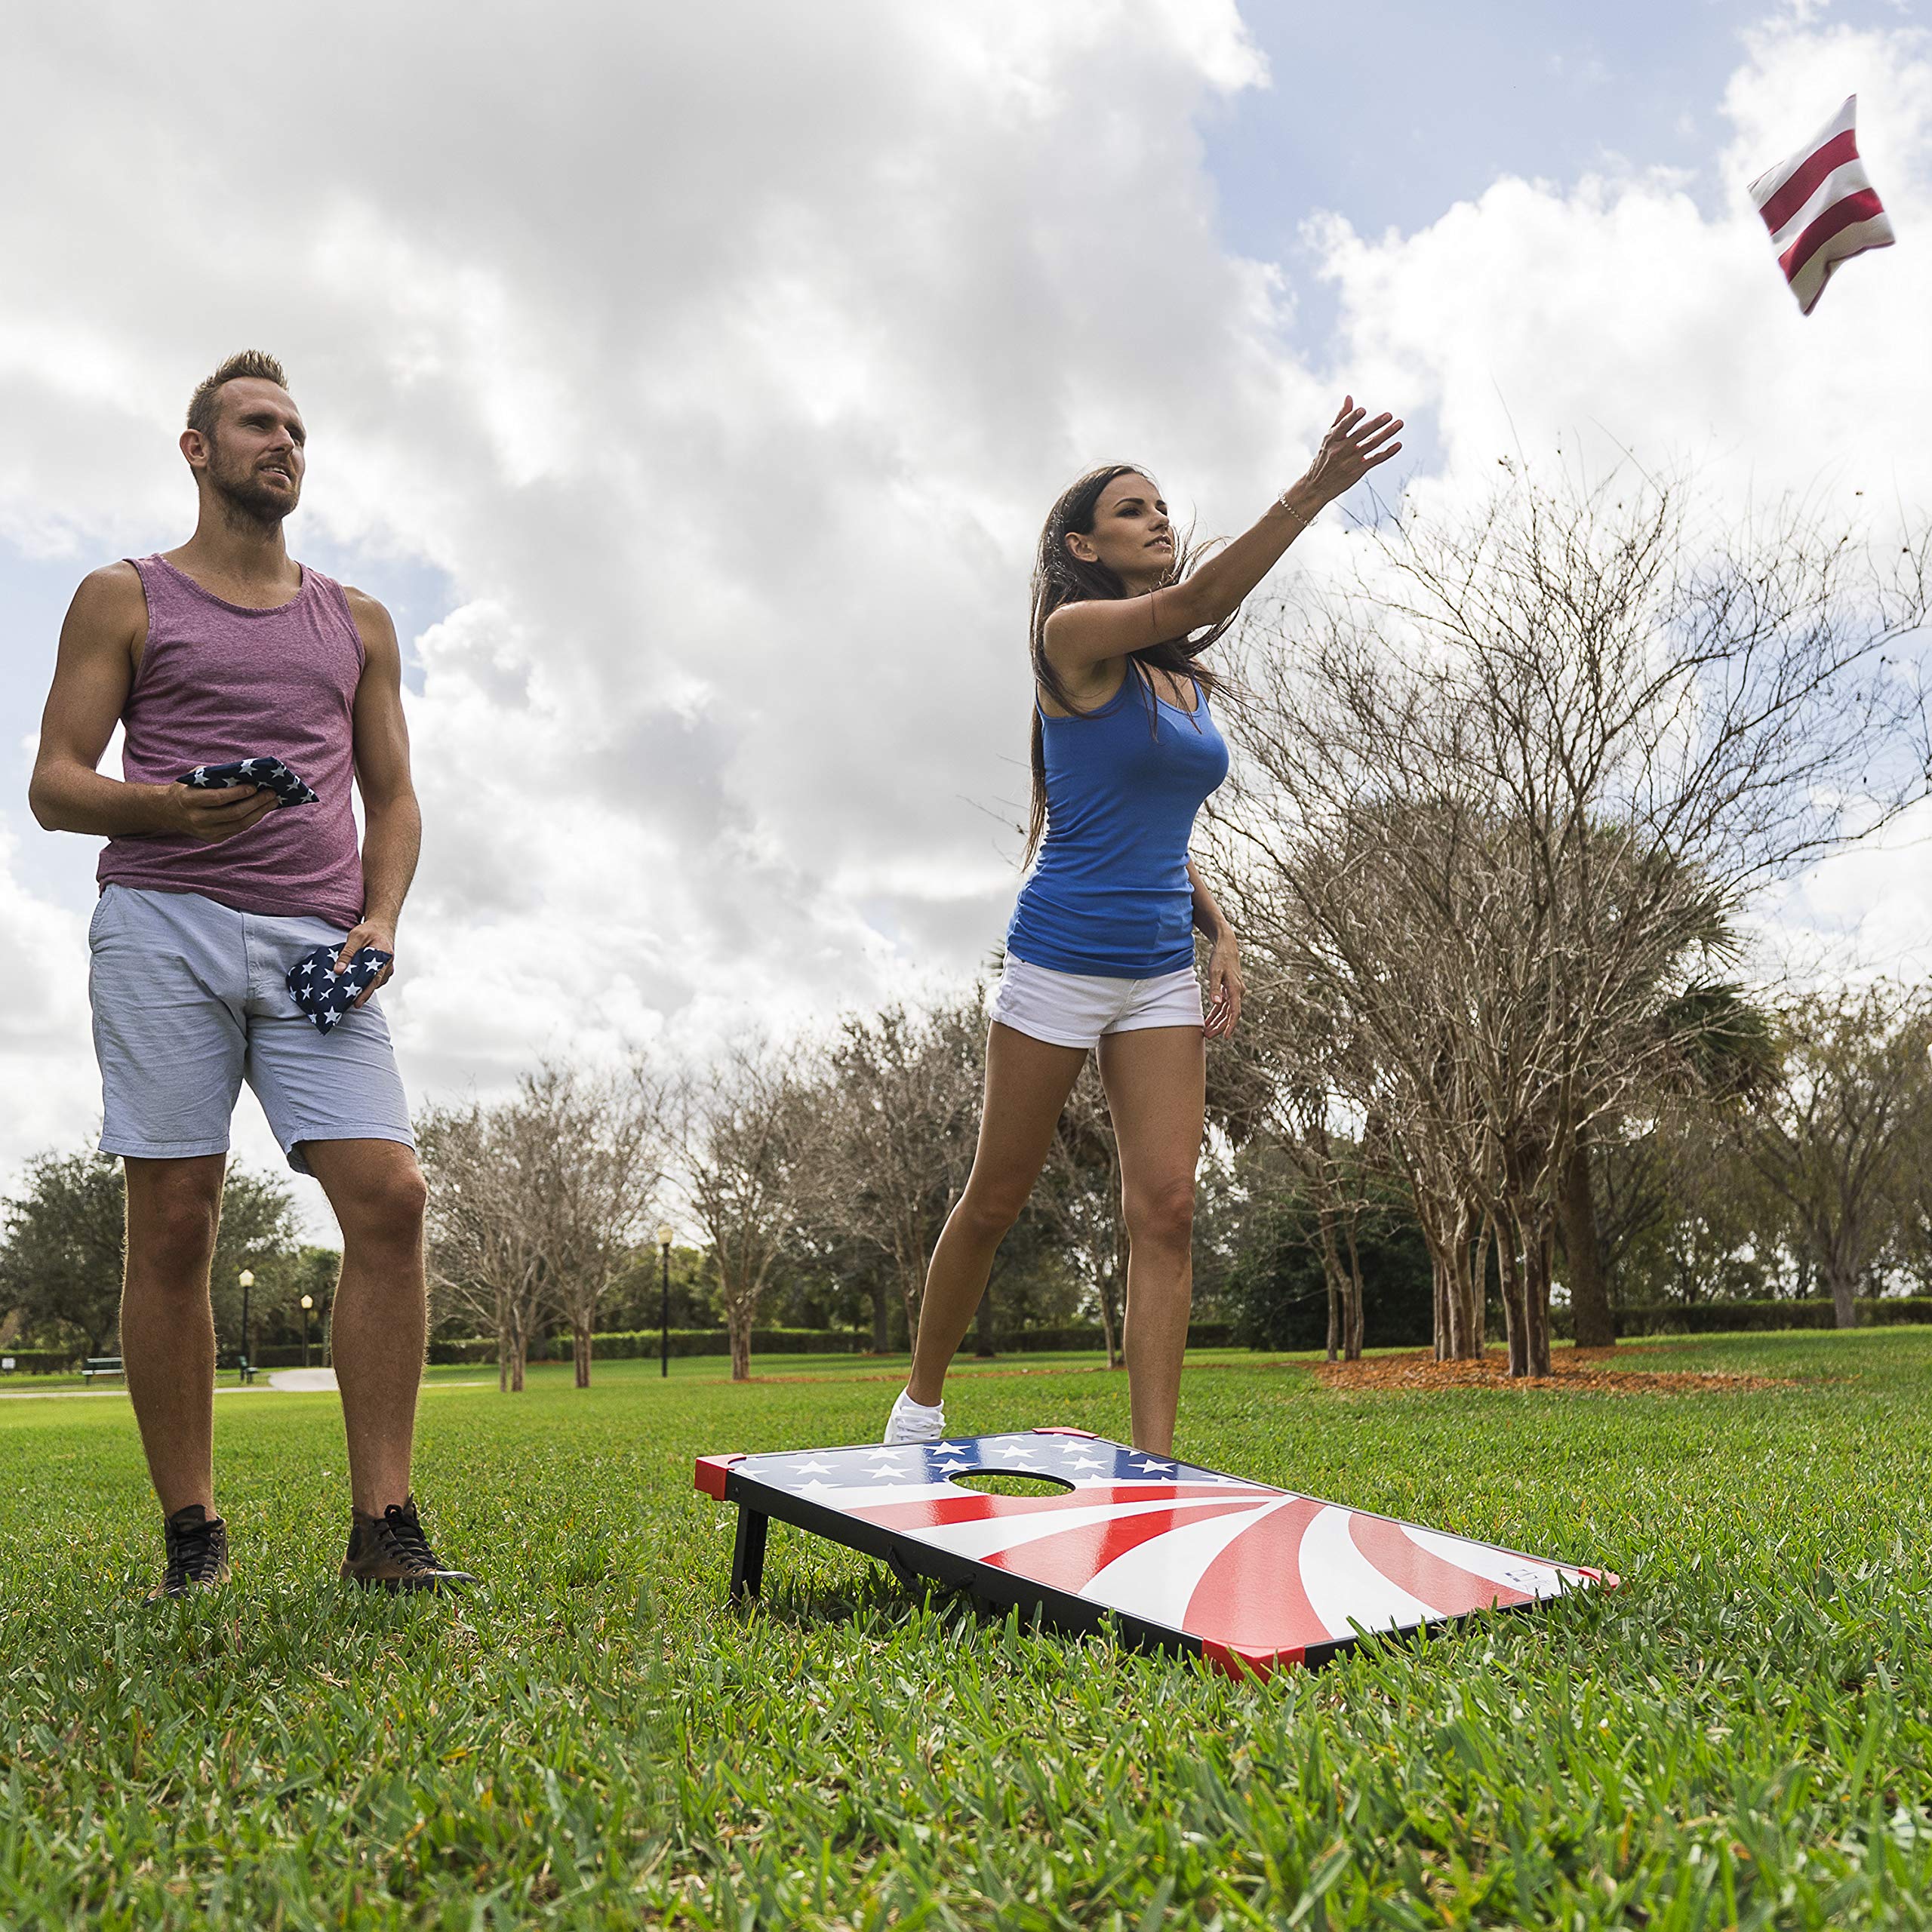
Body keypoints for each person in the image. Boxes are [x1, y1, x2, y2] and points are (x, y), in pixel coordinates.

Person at [28, 350, 472, 1599]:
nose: (283, 443)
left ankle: (384, 1526)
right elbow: (56, 782)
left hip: (314, 943)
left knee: (389, 1198)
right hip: (160, 922)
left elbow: (394, 798)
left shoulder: (359, 622)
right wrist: (172, 810)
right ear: (197, 449)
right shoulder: (124, 595)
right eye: (257, 425)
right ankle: (193, 1534)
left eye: (295, 429)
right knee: (175, 1222)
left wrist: (379, 920)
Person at [885, 398, 1403, 1455]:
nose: (1157, 520)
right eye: (1133, 511)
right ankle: (919, 1406)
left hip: (1161, 969)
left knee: (1166, 1210)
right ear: (1083, 546)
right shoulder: (1069, 639)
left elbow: (1157, 826)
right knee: (995, 1199)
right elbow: (1207, 592)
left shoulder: (1180, 677)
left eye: (1163, 506)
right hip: (1061, 958)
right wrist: (1313, 488)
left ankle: (1158, 1464)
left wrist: (1223, 928)